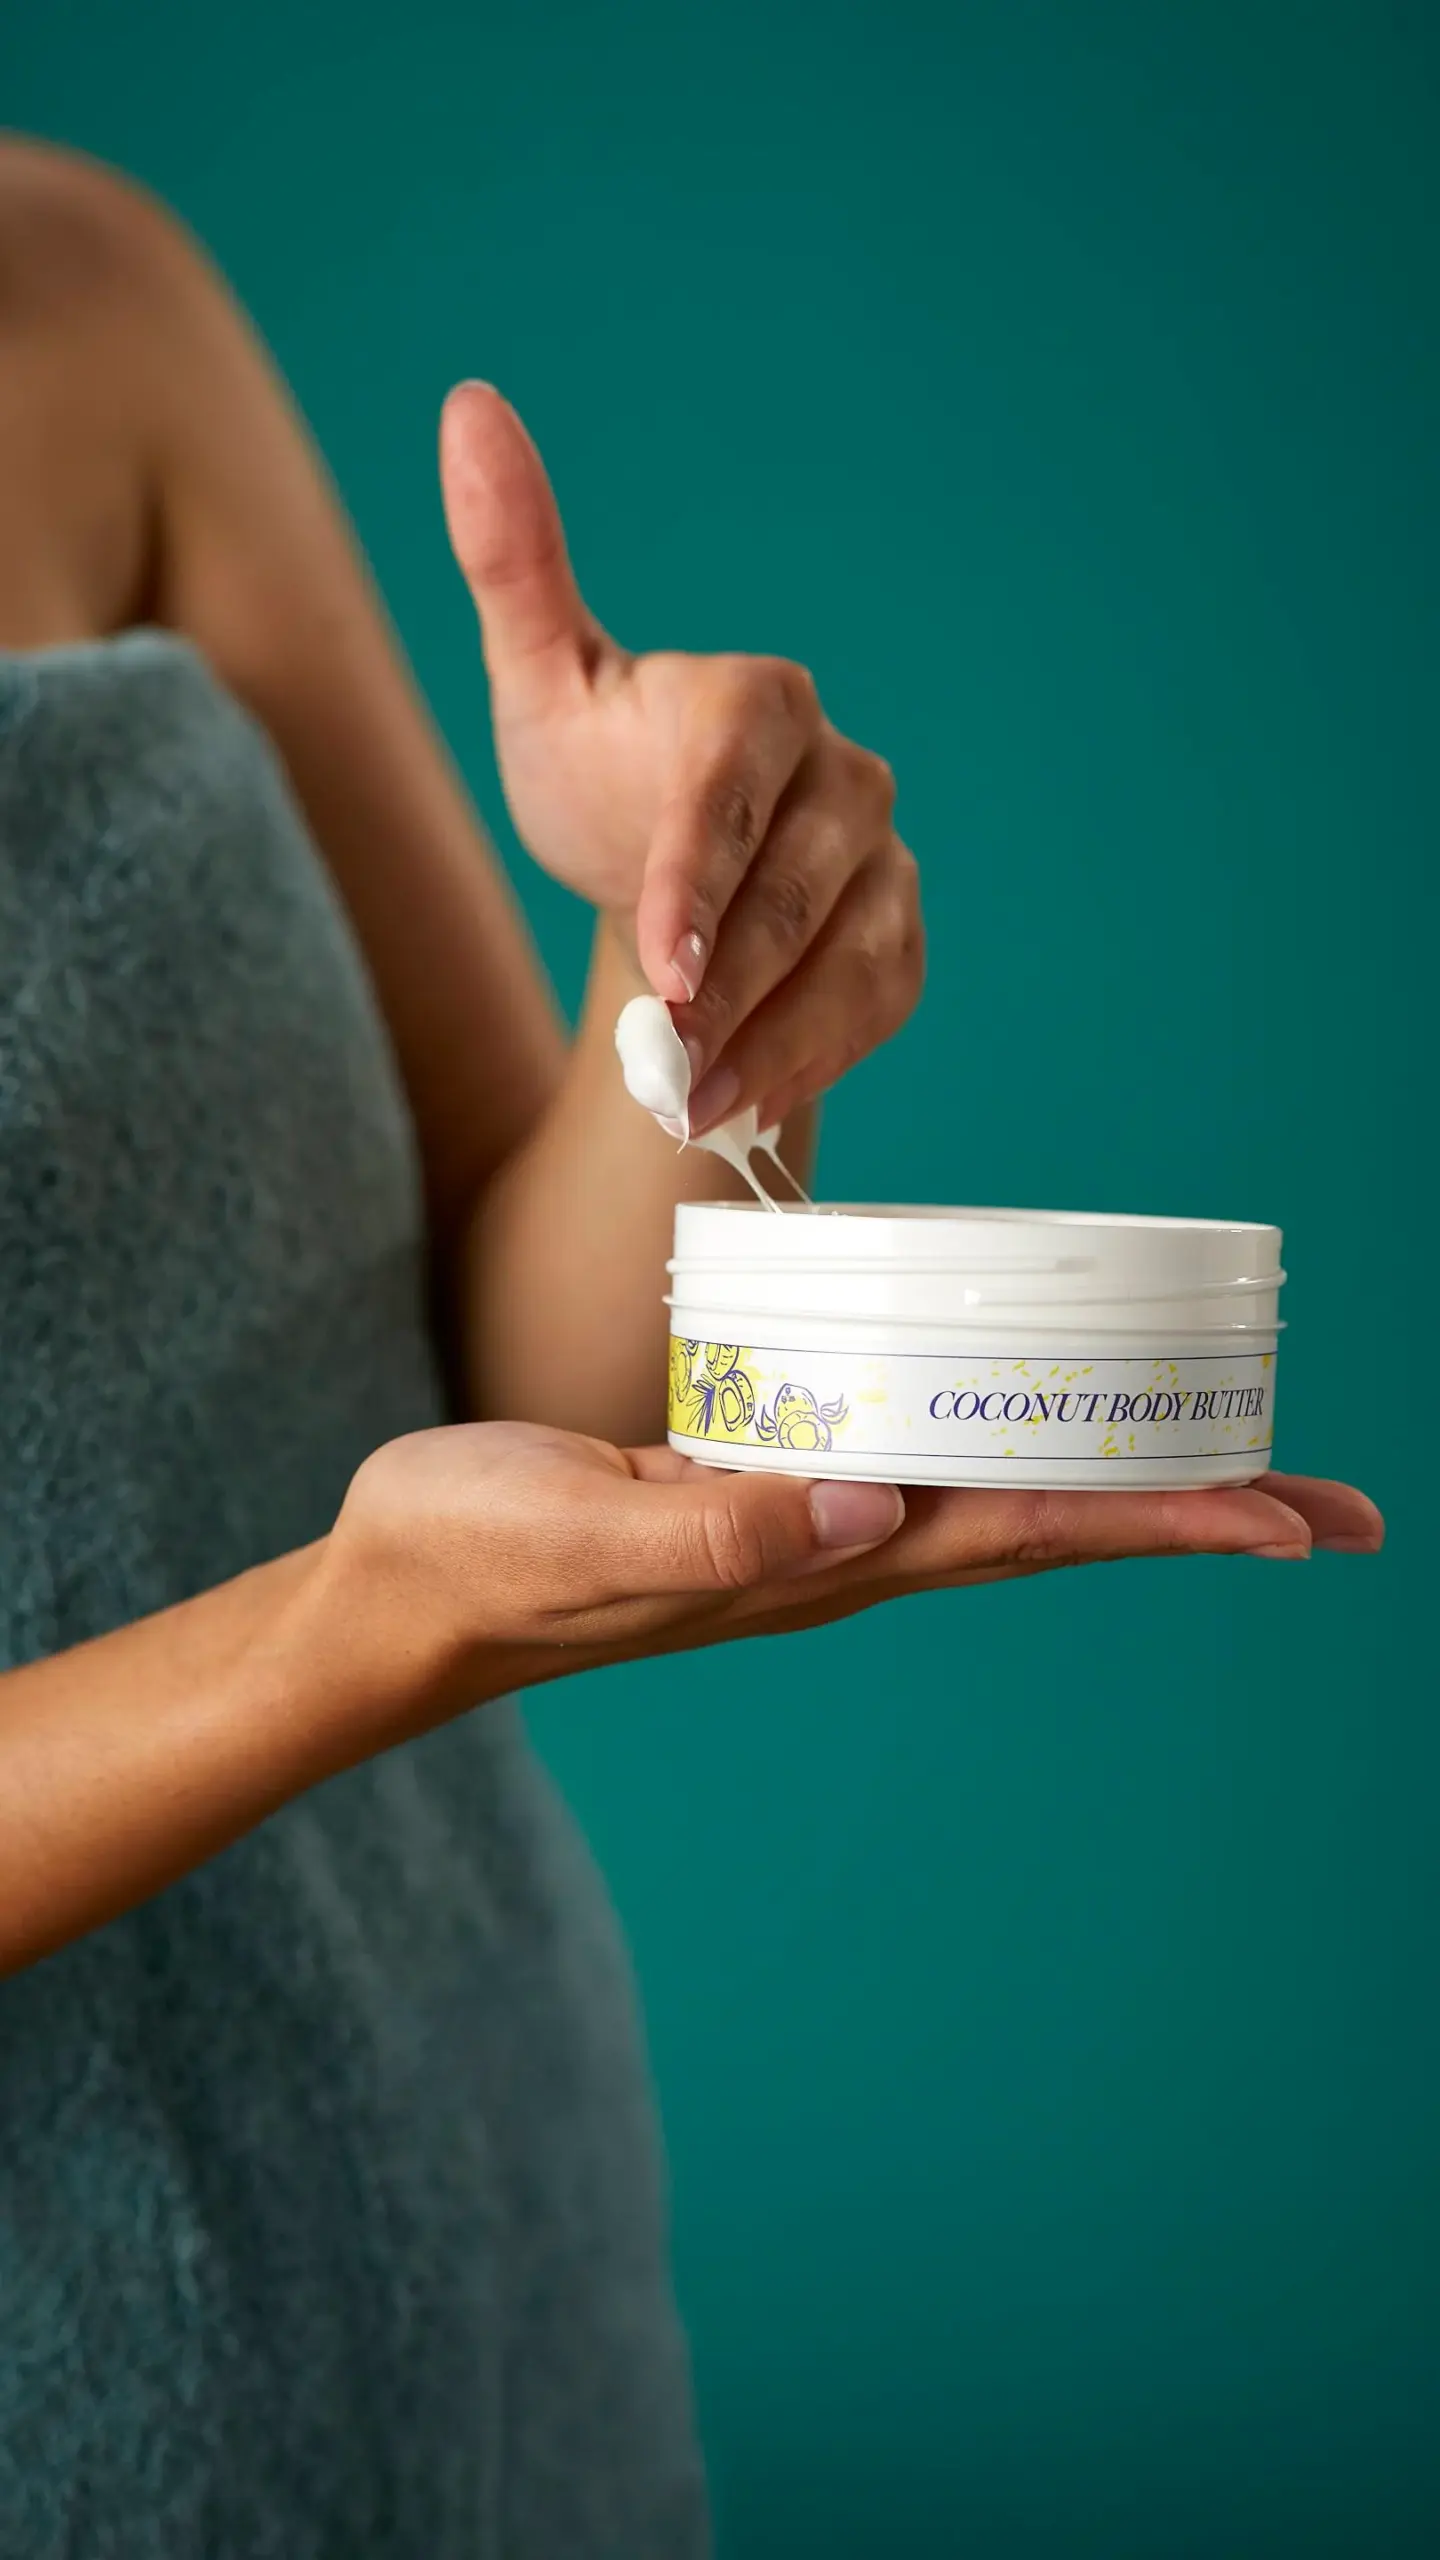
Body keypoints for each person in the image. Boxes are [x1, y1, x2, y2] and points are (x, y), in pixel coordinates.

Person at [0, 138, 1382, 2559]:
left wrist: (680, 964)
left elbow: (522, 1376)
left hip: (465, 2255)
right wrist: (356, 1626)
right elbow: (412, 1554)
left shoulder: (73, 286)